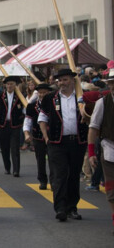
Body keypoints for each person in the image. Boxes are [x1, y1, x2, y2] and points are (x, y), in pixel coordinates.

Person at [39, 68, 88, 222]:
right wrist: (45, 137)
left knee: (73, 175)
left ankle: (72, 207)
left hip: (77, 141)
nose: (62, 83)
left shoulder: (81, 97)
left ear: (73, 80)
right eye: (60, 80)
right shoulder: (50, 98)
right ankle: (60, 208)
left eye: (65, 80)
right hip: (56, 142)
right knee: (59, 175)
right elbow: (42, 117)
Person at [87, 68, 114, 233]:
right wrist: (91, 153)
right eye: (112, 83)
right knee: (111, 189)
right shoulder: (102, 103)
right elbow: (93, 128)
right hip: (111, 150)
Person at [0, 76, 25, 177]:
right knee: (5, 148)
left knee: (15, 148)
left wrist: (23, 119)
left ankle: (16, 170)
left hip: (15, 125)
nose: (10, 86)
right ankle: (7, 167)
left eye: (11, 84)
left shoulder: (20, 96)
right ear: (5, 85)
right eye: (8, 84)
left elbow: (25, 110)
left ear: (15, 85)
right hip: (2, 125)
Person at [23, 83, 52, 190]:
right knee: (40, 160)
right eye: (40, 93)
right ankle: (42, 180)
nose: (42, 95)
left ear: (48, 93)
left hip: (52, 137)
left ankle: (54, 181)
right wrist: (26, 133)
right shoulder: (31, 106)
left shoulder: (53, 104)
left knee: (53, 159)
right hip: (38, 136)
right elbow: (27, 121)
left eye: (45, 93)